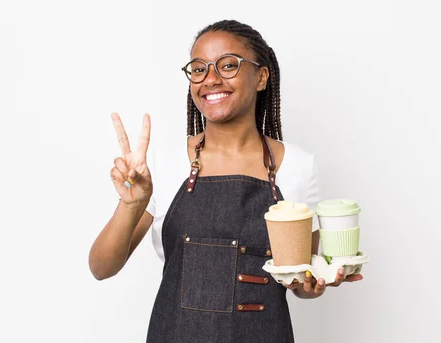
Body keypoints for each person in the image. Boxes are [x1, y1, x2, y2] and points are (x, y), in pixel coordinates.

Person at [89, 19, 363, 342]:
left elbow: (302, 279)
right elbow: (101, 266)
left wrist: (311, 285)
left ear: (261, 77)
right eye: (199, 69)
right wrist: (130, 204)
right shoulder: (165, 165)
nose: (211, 79)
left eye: (228, 65)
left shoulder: (298, 168)